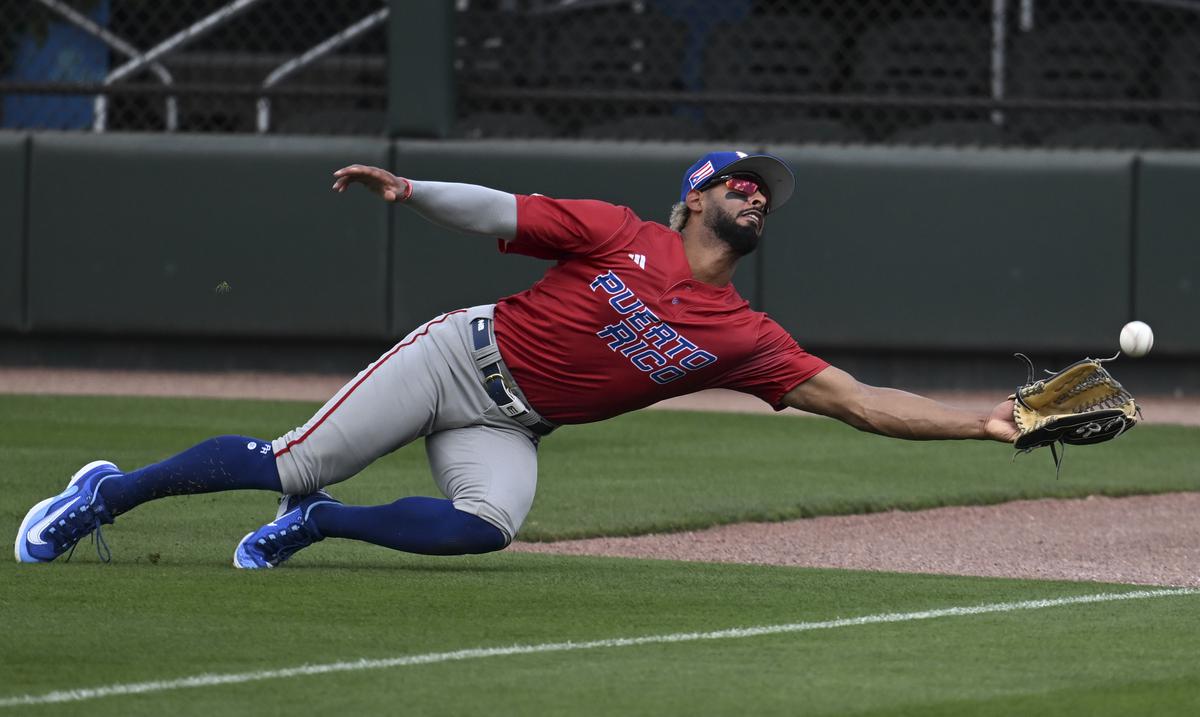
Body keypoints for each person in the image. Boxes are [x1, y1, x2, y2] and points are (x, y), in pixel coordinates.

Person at [15, 150, 1020, 568]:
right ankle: (100, 497)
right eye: (742, 185)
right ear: (696, 196)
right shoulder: (621, 232)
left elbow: (858, 400)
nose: (758, 198)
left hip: (510, 421)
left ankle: (315, 528)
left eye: (767, 195)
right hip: (461, 357)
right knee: (292, 457)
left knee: (486, 526)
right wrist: (411, 192)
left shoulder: (744, 336)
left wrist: (982, 423)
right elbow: (501, 210)